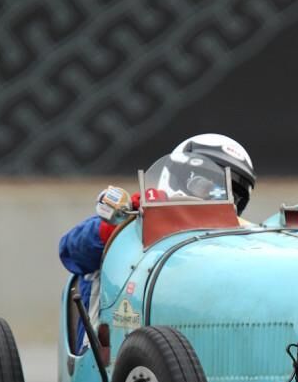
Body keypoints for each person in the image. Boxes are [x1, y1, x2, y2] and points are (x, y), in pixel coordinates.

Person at [59, 134, 256, 351]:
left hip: (201, 349)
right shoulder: (135, 216)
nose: (217, 196)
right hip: (116, 349)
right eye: (205, 185)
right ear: (178, 176)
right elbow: (70, 250)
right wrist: (122, 222)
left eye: (229, 194)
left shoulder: (241, 240)